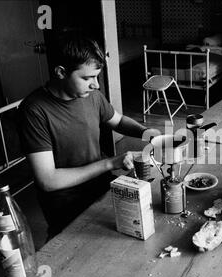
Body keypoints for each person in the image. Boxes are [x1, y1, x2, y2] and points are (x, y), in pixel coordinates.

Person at [18, 32, 161, 239]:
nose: (96, 85)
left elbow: (118, 121)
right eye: (87, 78)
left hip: (101, 187)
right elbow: (48, 180)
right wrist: (111, 163)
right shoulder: (34, 111)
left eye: (96, 77)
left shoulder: (91, 95)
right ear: (60, 72)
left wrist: (146, 132)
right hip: (67, 203)